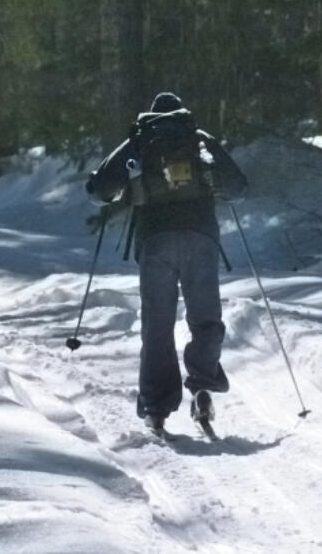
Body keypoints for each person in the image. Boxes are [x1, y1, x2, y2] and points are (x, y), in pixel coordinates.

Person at [86, 92, 248, 434]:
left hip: (155, 240)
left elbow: (100, 189)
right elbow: (237, 186)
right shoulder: (199, 139)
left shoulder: (140, 141)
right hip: (200, 237)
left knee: (157, 323)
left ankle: (157, 406)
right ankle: (202, 384)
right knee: (205, 315)